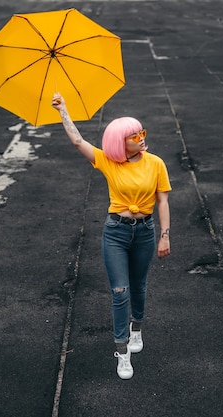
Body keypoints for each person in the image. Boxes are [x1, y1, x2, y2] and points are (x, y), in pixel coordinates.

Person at [51, 93, 172, 380]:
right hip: (116, 232)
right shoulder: (108, 161)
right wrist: (63, 110)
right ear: (121, 143)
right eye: (135, 135)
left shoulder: (156, 163)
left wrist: (165, 236)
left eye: (142, 132)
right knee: (120, 291)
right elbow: (78, 141)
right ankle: (122, 351)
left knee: (138, 285)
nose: (142, 137)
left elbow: (163, 201)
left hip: (144, 232)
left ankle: (136, 329)